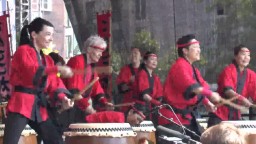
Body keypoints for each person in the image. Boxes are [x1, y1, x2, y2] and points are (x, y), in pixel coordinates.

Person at [3, 17, 74, 144]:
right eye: (48, 34)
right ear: (34, 34)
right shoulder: (23, 51)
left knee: (56, 141)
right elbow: (30, 72)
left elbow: (54, 84)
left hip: (39, 106)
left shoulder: (48, 59)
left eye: (52, 35)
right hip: (21, 103)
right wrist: (56, 69)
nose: (51, 38)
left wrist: (64, 98)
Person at [158, 34, 221, 141]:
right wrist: (210, 94)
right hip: (172, 119)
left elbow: (202, 86)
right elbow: (192, 87)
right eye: (195, 48)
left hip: (185, 118)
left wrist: (207, 102)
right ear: (185, 51)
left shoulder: (193, 69)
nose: (199, 50)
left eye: (199, 47)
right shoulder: (179, 66)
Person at [63, 35, 113, 123]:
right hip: (68, 106)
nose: (101, 54)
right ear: (89, 49)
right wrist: (88, 108)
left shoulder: (91, 67)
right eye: (99, 51)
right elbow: (75, 92)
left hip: (79, 107)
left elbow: (97, 90)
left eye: (102, 52)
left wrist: (104, 102)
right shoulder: (77, 61)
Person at [207, 44, 256, 127]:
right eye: (243, 54)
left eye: (248, 55)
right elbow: (228, 91)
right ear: (236, 56)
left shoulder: (252, 75)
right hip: (219, 114)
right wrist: (242, 99)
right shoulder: (228, 70)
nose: (246, 57)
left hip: (236, 116)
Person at [132, 51, 163, 124]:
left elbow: (159, 95)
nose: (154, 62)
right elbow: (145, 96)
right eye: (152, 59)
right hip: (140, 108)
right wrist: (156, 103)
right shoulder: (142, 74)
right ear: (145, 61)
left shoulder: (155, 77)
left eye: (156, 60)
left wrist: (161, 102)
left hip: (151, 108)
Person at [116, 47, 141, 112]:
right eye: (131, 53)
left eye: (135, 53)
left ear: (141, 56)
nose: (133, 55)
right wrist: (130, 83)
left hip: (142, 106)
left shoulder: (145, 71)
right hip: (127, 105)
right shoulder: (124, 70)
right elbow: (121, 89)